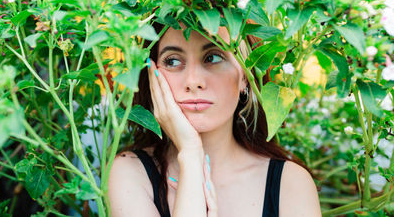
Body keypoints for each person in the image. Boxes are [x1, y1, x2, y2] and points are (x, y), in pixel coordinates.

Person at [108, 21, 322, 217]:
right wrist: (191, 156)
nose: (193, 81)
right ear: (151, 72)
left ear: (245, 76)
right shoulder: (130, 173)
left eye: (213, 57)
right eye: (173, 61)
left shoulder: (291, 184)